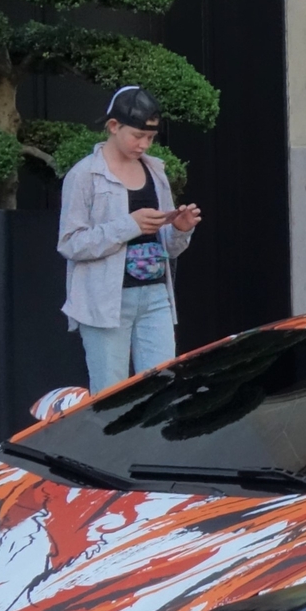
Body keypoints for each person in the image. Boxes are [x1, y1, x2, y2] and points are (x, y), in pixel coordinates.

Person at [58, 86, 201, 391]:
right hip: (106, 302)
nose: (143, 145)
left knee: (162, 391)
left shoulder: (156, 172)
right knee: (111, 397)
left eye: (150, 138)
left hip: (155, 296)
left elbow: (169, 249)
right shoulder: (84, 175)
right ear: (113, 126)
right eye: (137, 136)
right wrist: (129, 225)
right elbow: (70, 243)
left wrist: (181, 228)